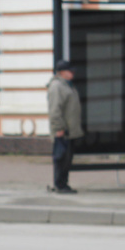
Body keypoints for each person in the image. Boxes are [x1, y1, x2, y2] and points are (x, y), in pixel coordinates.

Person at [47, 59, 83, 194]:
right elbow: (55, 110)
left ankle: (64, 183)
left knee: (67, 159)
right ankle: (60, 184)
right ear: (62, 72)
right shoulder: (57, 86)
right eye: (70, 70)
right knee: (61, 158)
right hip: (62, 131)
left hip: (69, 131)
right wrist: (58, 128)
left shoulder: (67, 85)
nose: (72, 73)